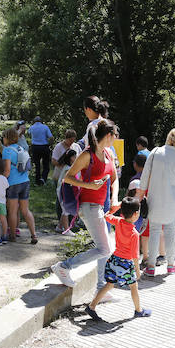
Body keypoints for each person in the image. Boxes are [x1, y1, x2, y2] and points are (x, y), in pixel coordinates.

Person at [51, 120, 120, 294]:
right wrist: (90, 185)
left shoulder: (108, 154)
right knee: (105, 248)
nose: (116, 139)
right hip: (88, 206)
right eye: (116, 136)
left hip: (100, 206)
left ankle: (100, 289)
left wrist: (114, 198)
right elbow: (68, 177)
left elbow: (115, 178)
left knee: (104, 248)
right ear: (109, 135)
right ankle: (64, 266)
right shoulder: (87, 155)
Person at [135, 128, 175, 277]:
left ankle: (151, 266)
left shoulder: (155, 152)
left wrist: (138, 198)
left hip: (154, 200)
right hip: (173, 202)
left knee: (154, 231)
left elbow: (144, 178)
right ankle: (171, 265)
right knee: (170, 233)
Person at [84, 197, 151, 321]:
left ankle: (92, 306)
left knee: (109, 284)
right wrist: (137, 271)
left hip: (114, 260)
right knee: (133, 286)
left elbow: (106, 215)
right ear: (136, 214)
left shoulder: (119, 221)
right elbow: (135, 256)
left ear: (122, 212)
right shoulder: (134, 234)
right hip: (125, 264)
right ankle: (138, 310)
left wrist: (118, 206)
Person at [2, 127, 38, 244]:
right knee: (25, 210)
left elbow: (7, 170)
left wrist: (0, 181)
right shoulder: (20, 148)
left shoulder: (7, 151)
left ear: (7, 138)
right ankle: (33, 235)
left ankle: (12, 235)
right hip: (25, 181)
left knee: (12, 211)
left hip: (13, 184)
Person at [55, 149, 79, 235]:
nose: (75, 157)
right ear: (70, 158)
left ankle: (59, 227)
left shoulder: (69, 167)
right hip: (64, 191)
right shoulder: (68, 169)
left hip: (66, 190)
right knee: (65, 210)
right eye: (74, 156)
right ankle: (66, 230)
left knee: (65, 210)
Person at [28, 116, 53, 185]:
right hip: (44, 147)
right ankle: (43, 179)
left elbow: (29, 133)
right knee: (46, 164)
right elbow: (51, 137)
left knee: (37, 164)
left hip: (35, 147)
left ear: (34, 121)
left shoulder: (32, 127)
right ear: (41, 121)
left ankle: (37, 180)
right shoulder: (45, 127)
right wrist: (49, 144)